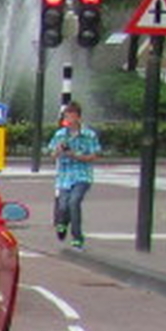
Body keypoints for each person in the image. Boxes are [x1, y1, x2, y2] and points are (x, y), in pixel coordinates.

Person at [47, 98, 99, 250]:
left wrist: (75, 155)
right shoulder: (60, 135)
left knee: (74, 202)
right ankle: (62, 223)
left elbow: (93, 156)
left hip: (82, 175)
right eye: (66, 117)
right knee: (63, 206)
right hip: (64, 176)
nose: (68, 120)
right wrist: (58, 150)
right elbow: (52, 154)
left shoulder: (89, 135)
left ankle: (77, 237)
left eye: (71, 116)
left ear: (78, 117)